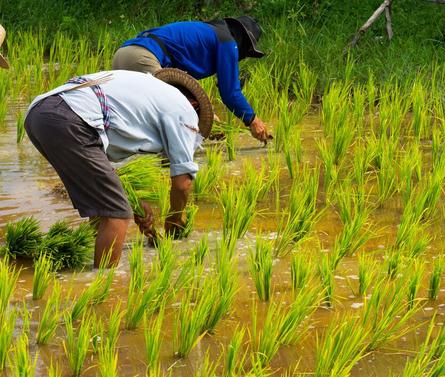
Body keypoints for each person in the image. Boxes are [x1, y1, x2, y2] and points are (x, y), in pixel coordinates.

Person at [24, 68, 214, 267]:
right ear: (194, 105)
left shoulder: (144, 91)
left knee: (102, 207)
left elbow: (103, 169)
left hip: (39, 114)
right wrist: (175, 225)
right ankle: (104, 285)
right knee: (117, 214)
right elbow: (182, 183)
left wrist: (132, 200)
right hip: (72, 119)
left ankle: (90, 263)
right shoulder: (183, 108)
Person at [113, 16, 271, 143]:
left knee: (135, 120)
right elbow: (230, 93)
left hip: (123, 55)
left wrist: (208, 120)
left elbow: (181, 86)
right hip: (143, 59)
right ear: (243, 41)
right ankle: (173, 168)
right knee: (175, 116)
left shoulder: (207, 33)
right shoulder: (228, 42)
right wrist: (253, 120)